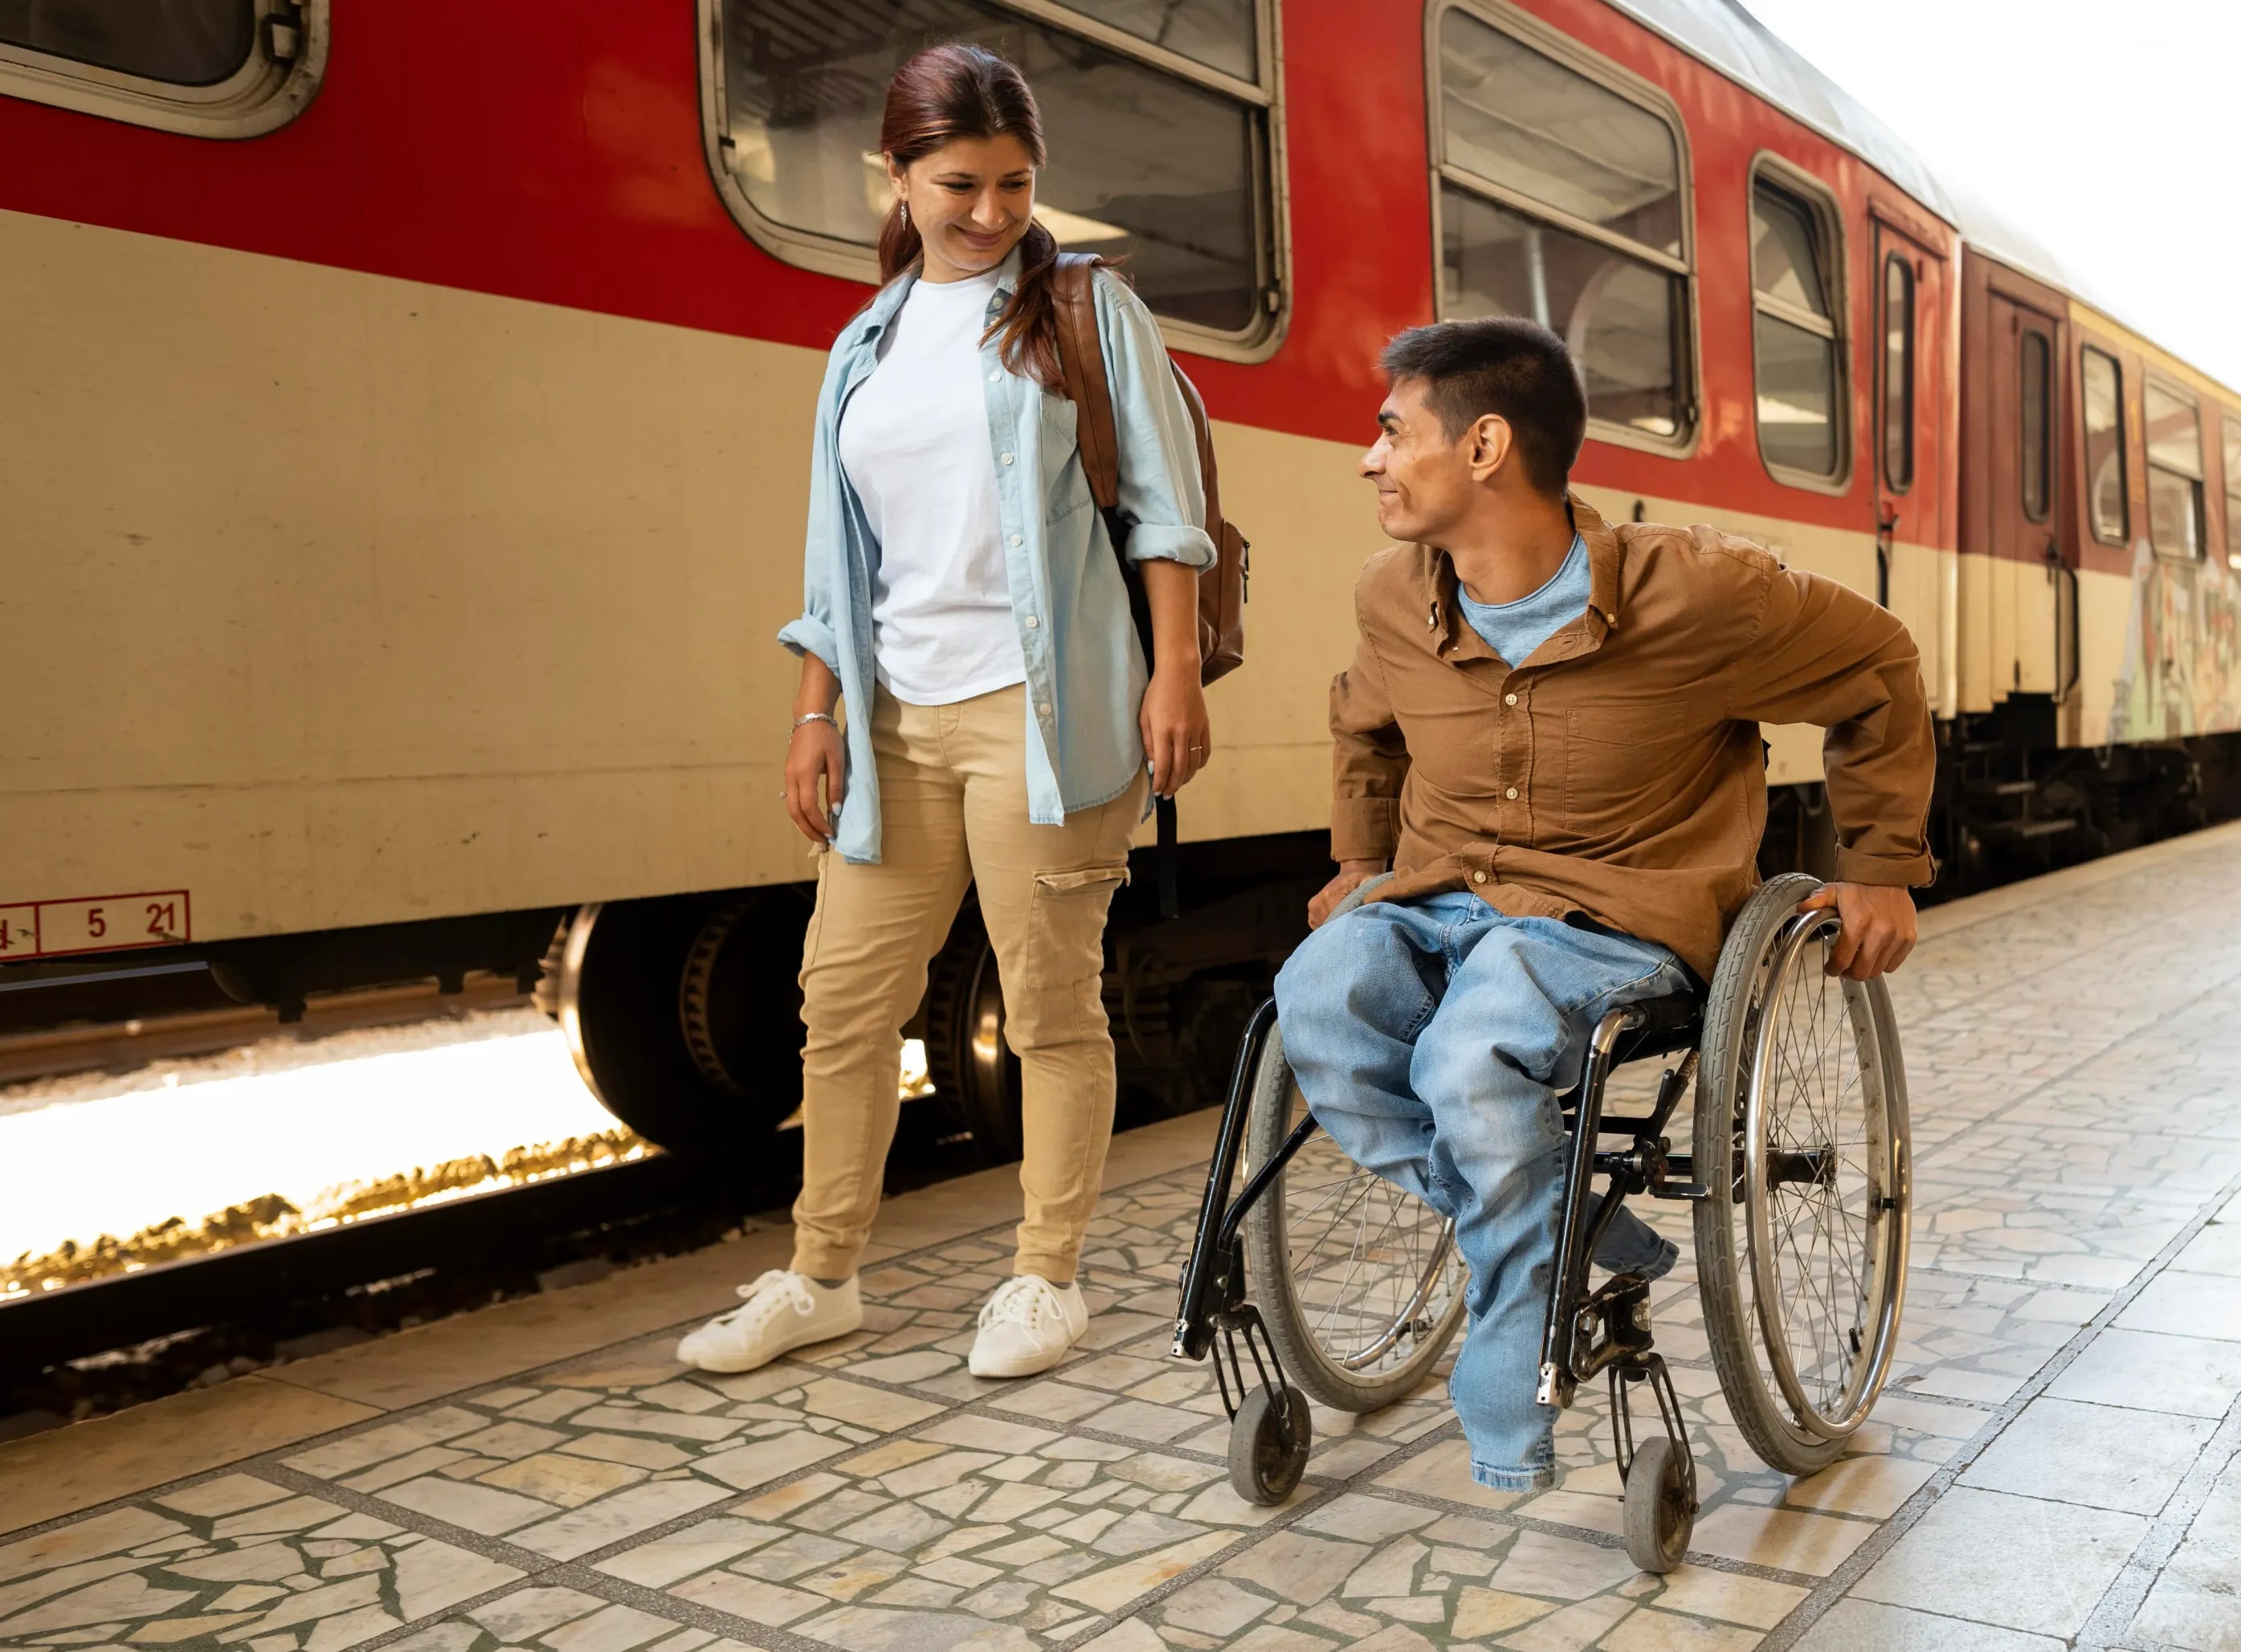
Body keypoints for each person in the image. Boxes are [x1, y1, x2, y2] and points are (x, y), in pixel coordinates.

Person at [1275, 317, 1934, 1491]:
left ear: (1484, 446)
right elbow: (1364, 719)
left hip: (1610, 919)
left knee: (1473, 1054)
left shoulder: (1701, 596)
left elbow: (1878, 665)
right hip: (1442, 898)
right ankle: (1567, 1224)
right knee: (1315, 997)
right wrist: (1357, 856)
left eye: (1391, 432)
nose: (1369, 458)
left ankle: (1504, 1385)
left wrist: (1877, 860)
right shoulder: (1393, 595)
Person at [676, 44, 1216, 1380]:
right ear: (898, 176)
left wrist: (1177, 669)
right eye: (959, 184)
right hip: (895, 718)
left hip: (1051, 720)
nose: (991, 212)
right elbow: (837, 555)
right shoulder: (865, 341)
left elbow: (1163, 511)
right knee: (843, 1004)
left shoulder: (1085, 309)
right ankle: (821, 1273)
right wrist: (815, 709)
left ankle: (1047, 1276)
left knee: (1049, 1006)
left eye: (1016, 183)